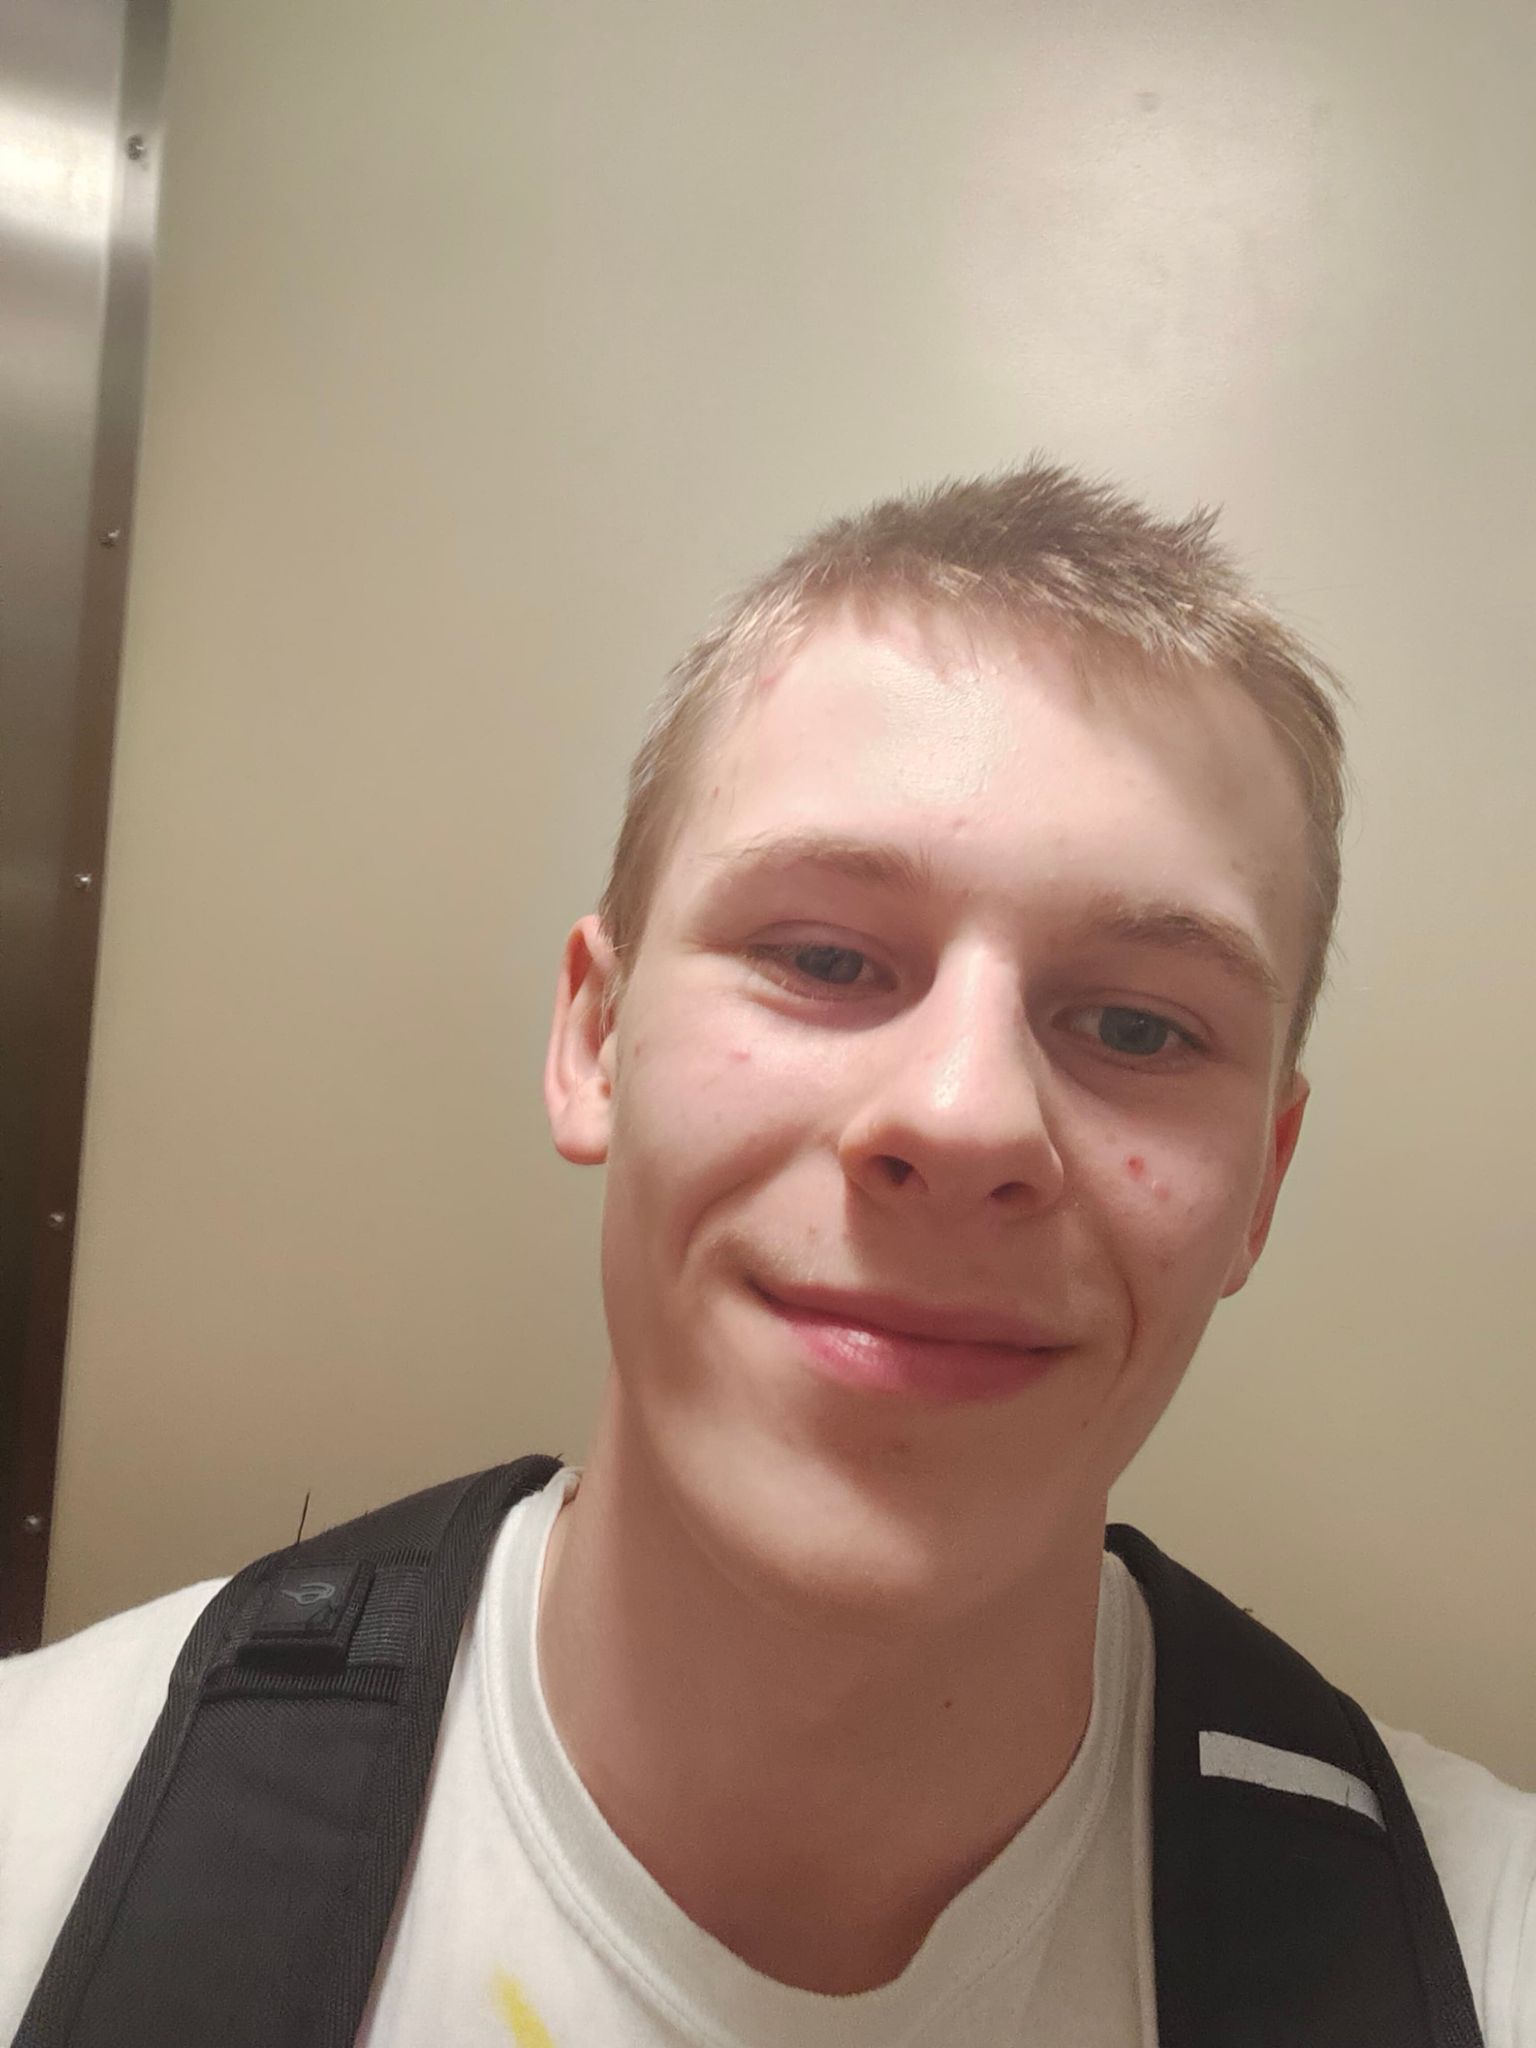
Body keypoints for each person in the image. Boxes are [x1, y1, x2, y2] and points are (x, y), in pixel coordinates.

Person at [2, 464, 1531, 2045]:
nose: (963, 1117)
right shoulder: (45, 1842)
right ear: (597, 1038)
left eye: (1139, 1027)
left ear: (1262, 1183)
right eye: (822, 957)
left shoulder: (1481, 1956)